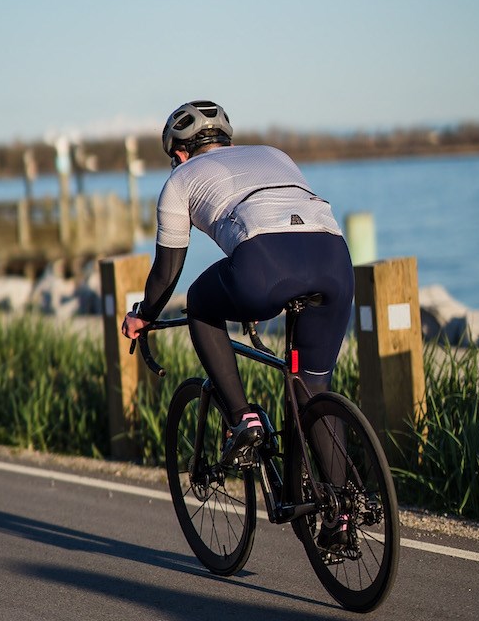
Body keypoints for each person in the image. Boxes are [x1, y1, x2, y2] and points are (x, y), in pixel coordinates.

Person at [121, 100, 355, 548]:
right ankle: (341, 515)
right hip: (333, 259)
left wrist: (143, 316)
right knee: (312, 387)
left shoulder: (180, 180)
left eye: (174, 157)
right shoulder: (274, 154)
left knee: (200, 303)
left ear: (180, 153)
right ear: (225, 141)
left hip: (265, 266)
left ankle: (241, 418)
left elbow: (167, 272)